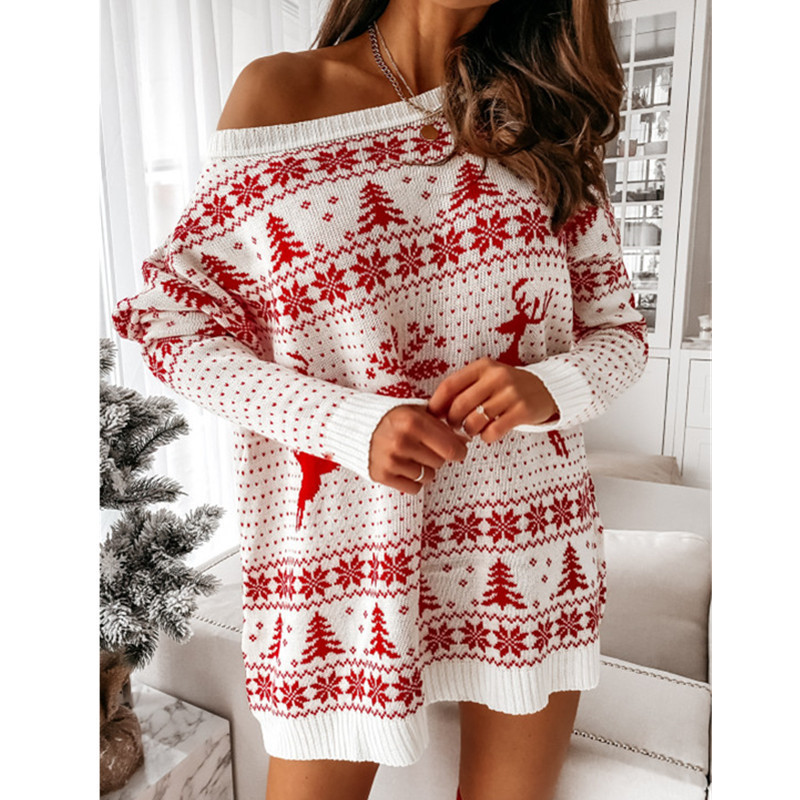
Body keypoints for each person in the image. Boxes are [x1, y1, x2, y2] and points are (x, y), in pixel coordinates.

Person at [111, 1, 648, 798]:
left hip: (529, 547)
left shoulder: (545, 115)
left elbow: (619, 334)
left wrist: (546, 388)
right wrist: (346, 424)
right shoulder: (279, 95)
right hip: (340, 567)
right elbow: (170, 326)